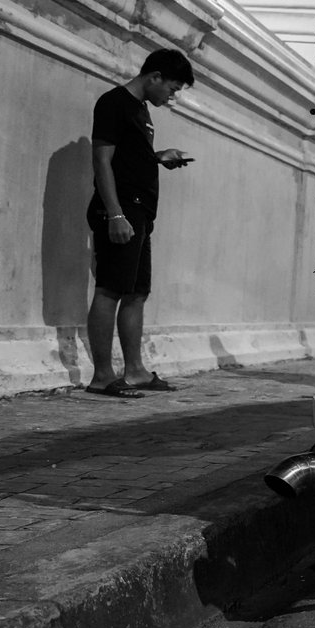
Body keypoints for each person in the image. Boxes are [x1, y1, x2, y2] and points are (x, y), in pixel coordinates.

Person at [84, 49, 196, 397]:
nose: (172, 96)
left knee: (136, 293)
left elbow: (129, 157)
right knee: (110, 289)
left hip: (140, 212)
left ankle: (135, 371)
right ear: (154, 77)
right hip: (121, 210)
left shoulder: (141, 111)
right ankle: (102, 376)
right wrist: (115, 213)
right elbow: (102, 161)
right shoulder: (114, 103)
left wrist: (157, 157)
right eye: (172, 88)